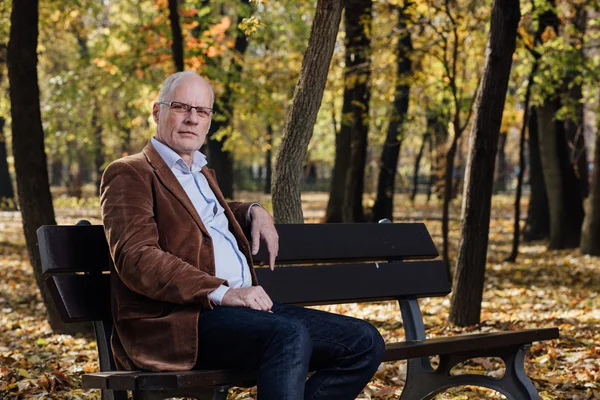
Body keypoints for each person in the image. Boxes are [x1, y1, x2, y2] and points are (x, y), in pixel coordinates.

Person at [100, 71, 385, 400]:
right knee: (288, 334)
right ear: (156, 112)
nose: (192, 119)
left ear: (209, 121)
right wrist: (222, 292)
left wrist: (253, 209)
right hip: (180, 321)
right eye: (181, 107)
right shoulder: (129, 172)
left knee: (364, 341)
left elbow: (198, 216)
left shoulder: (200, 173)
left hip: (241, 314)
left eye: (202, 111)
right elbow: (137, 258)